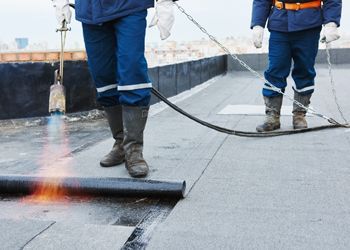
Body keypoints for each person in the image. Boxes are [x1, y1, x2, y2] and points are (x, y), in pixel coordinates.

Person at [52, 0, 177, 177]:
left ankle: (134, 149)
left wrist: (165, 3)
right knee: (103, 78)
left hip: (129, 6)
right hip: (91, 11)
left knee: (132, 72)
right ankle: (120, 143)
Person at [251, 0, 342, 132]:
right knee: (275, 70)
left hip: (309, 25)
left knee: (305, 71)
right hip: (280, 25)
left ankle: (299, 115)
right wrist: (258, 24)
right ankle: (272, 116)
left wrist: (331, 22)